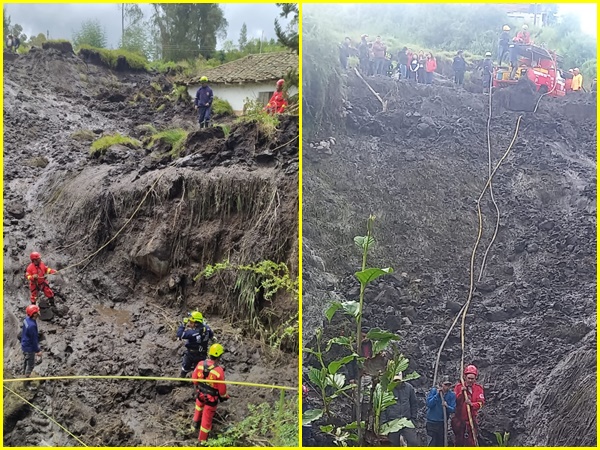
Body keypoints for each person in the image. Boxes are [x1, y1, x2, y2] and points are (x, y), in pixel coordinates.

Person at [191, 343, 230, 443]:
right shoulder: (218, 370)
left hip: (200, 394)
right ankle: (202, 441)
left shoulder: (200, 364)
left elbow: (194, 379)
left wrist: (198, 387)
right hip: (211, 399)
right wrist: (224, 396)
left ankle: (193, 426)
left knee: (198, 408)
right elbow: (222, 390)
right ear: (220, 356)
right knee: (206, 420)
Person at [382, 372, 419, 446]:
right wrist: (384, 423)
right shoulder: (388, 389)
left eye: (398, 380)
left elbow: (414, 404)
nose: (397, 382)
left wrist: (413, 419)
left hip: (406, 420)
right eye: (395, 380)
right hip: (392, 422)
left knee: (413, 442)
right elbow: (383, 407)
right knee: (393, 444)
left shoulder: (409, 388)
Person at [451, 365, 485, 446]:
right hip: (459, 421)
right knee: (459, 442)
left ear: (475, 378)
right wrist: (462, 393)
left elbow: (481, 403)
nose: (470, 380)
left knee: (471, 443)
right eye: (468, 378)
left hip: (471, 421)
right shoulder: (458, 387)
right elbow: (454, 402)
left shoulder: (478, 388)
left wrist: (472, 404)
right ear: (465, 377)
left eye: (472, 379)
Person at [177, 311, 214, 379]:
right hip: (202, 355)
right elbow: (211, 336)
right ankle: (196, 383)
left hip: (191, 354)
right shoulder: (207, 329)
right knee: (199, 371)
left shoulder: (192, 333)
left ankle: (182, 379)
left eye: (191, 322)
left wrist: (183, 324)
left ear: (196, 323)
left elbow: (179, 334)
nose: (189, 323)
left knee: (185, 368)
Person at [426, 375, 456, 446]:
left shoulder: (452, 395)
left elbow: (453, 409)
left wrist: (447, 406)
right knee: (432, 443)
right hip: (431, 422)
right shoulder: (434, 391)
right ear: (441, 384)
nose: (447, 387)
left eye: (449, 385)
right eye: (445, 384)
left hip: (442, 423)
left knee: (441, 443)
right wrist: (437, 396)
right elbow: (429, 404)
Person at [21, 304, 42, 388]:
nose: (38, 312)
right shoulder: (32, 326)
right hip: (29, 347)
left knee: (26, 361)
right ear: (34, 314)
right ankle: (26, 383)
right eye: (37, 311)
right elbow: (34, 340)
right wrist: (38, 351)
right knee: (30, 364)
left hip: (24, 344)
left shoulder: (26, 320)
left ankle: (24, 374)